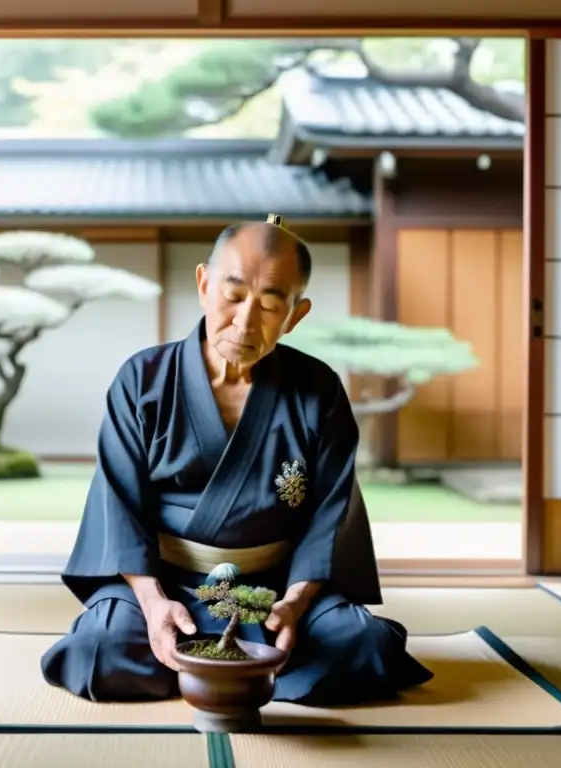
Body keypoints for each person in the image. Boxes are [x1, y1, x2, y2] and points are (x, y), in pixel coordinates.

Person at [40, 214, 433, 706]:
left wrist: (295, 603)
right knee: (99, 649)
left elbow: (331, 514)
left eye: (270, 303)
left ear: (295, 314)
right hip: (165, 585)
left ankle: (207, 667)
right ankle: (222, 661)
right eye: (233, 295)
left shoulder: (318, 391)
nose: (246, 321)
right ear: (204, 284)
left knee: (360, 644)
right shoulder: (143, 380)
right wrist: (153, 601)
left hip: (273, 592)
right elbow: (119, 506)